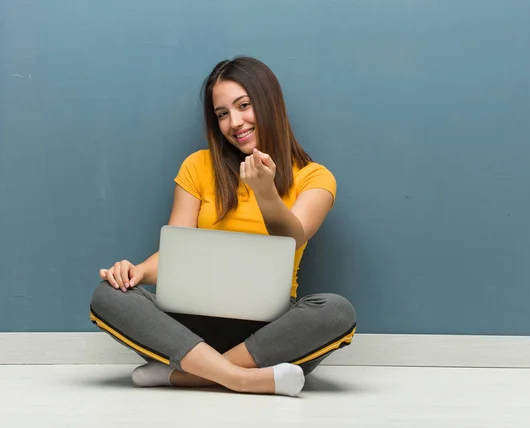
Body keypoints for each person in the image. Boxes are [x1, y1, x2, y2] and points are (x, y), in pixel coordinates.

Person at [89, 56, 356, 397]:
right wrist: (136, 272)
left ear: (269, 103)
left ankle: (187, 374)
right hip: (190, 325)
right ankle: (240, 378)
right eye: (222, 114)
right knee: (108, 294)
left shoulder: (314, 177)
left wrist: (265, 191)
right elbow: (175, 253)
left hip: (266, 332)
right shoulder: (198, 167)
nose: (235, 122)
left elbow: (292, 237)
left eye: (244, 106)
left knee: (336, 312)